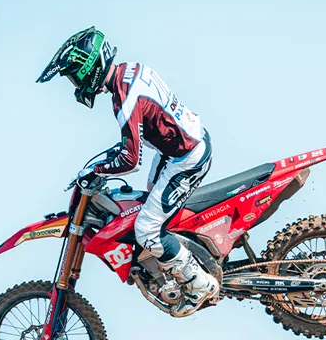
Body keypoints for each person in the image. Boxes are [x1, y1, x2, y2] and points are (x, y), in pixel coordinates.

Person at [37, 27, 217, 315]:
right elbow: (137, 133)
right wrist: (100, 166)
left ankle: (199, 284)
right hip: (180, 146)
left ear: (89, 68)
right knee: (148, 207)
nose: (75, 83)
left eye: (75, 76)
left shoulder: (123, 98)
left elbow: (131, 159)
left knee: (146, 229)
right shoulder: (130, 70)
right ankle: (174, 259)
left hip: (186, 157)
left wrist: (97, 169)